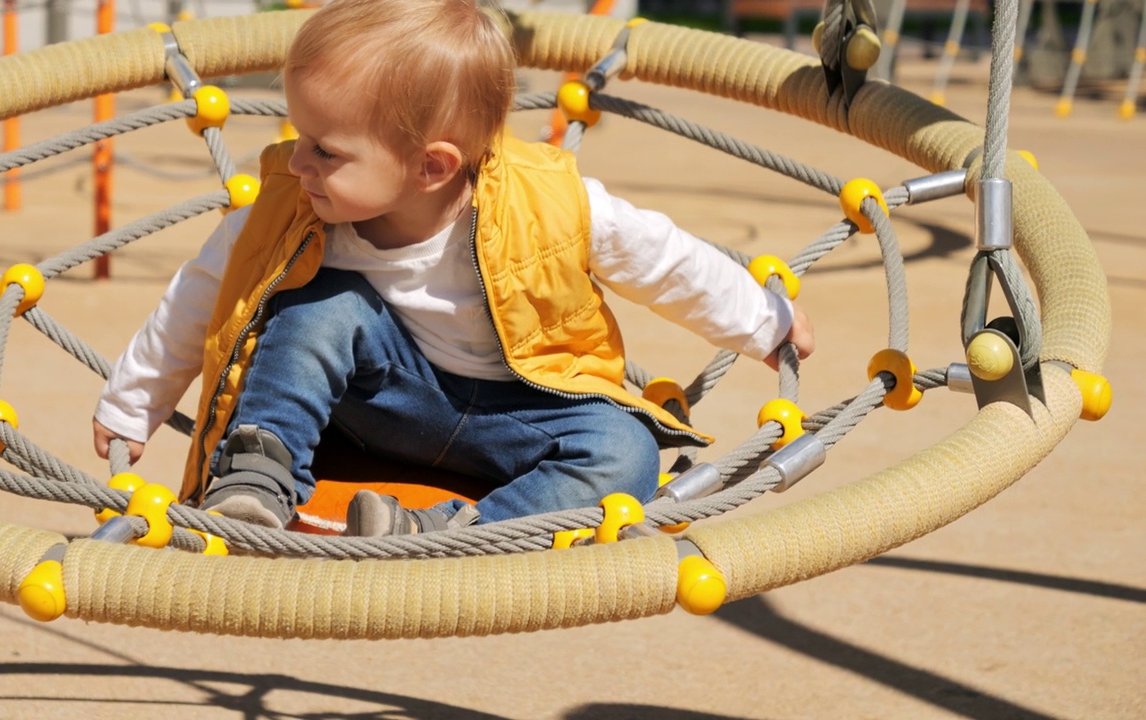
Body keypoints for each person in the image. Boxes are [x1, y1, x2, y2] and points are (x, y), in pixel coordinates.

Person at [92, 0, 815, 537]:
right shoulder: (294, 207)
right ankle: (258, 473)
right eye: (298, 135)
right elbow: (203, 292)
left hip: (520, 415)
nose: (297, 161)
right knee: (320, 307)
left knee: (625, 451)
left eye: (325, 148)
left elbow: (664, 259)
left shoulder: (547, 203)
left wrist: (762, 319)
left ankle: (452, 531)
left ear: (430, 166)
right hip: (378, 405)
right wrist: (134, 400)